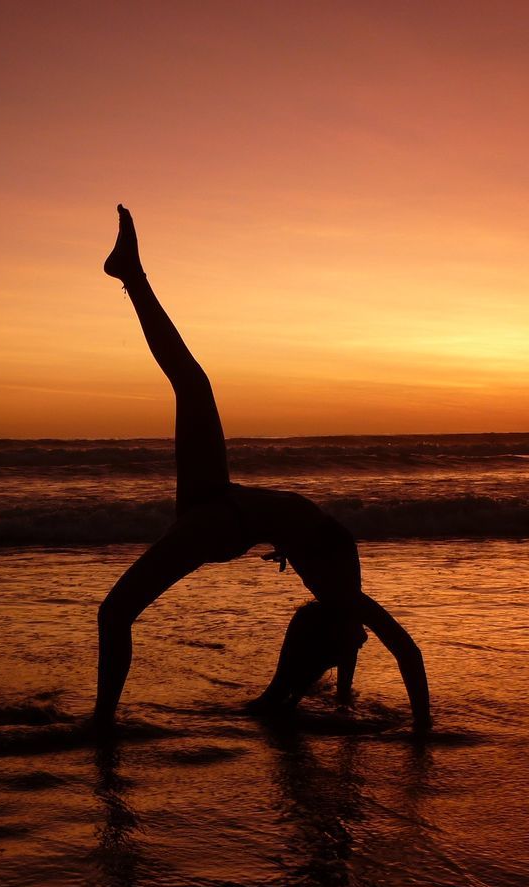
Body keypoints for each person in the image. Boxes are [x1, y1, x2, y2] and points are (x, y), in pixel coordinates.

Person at [95, 205, 431, 731]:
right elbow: (370, 638)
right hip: (221, 505)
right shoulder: (332, 575)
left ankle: (102, 726)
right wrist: (346, 696)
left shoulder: (335, 579)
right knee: (193, 384)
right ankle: (130, 275)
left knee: (115, 614)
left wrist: (423, 733)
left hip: (220, 521)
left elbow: (406, 652)